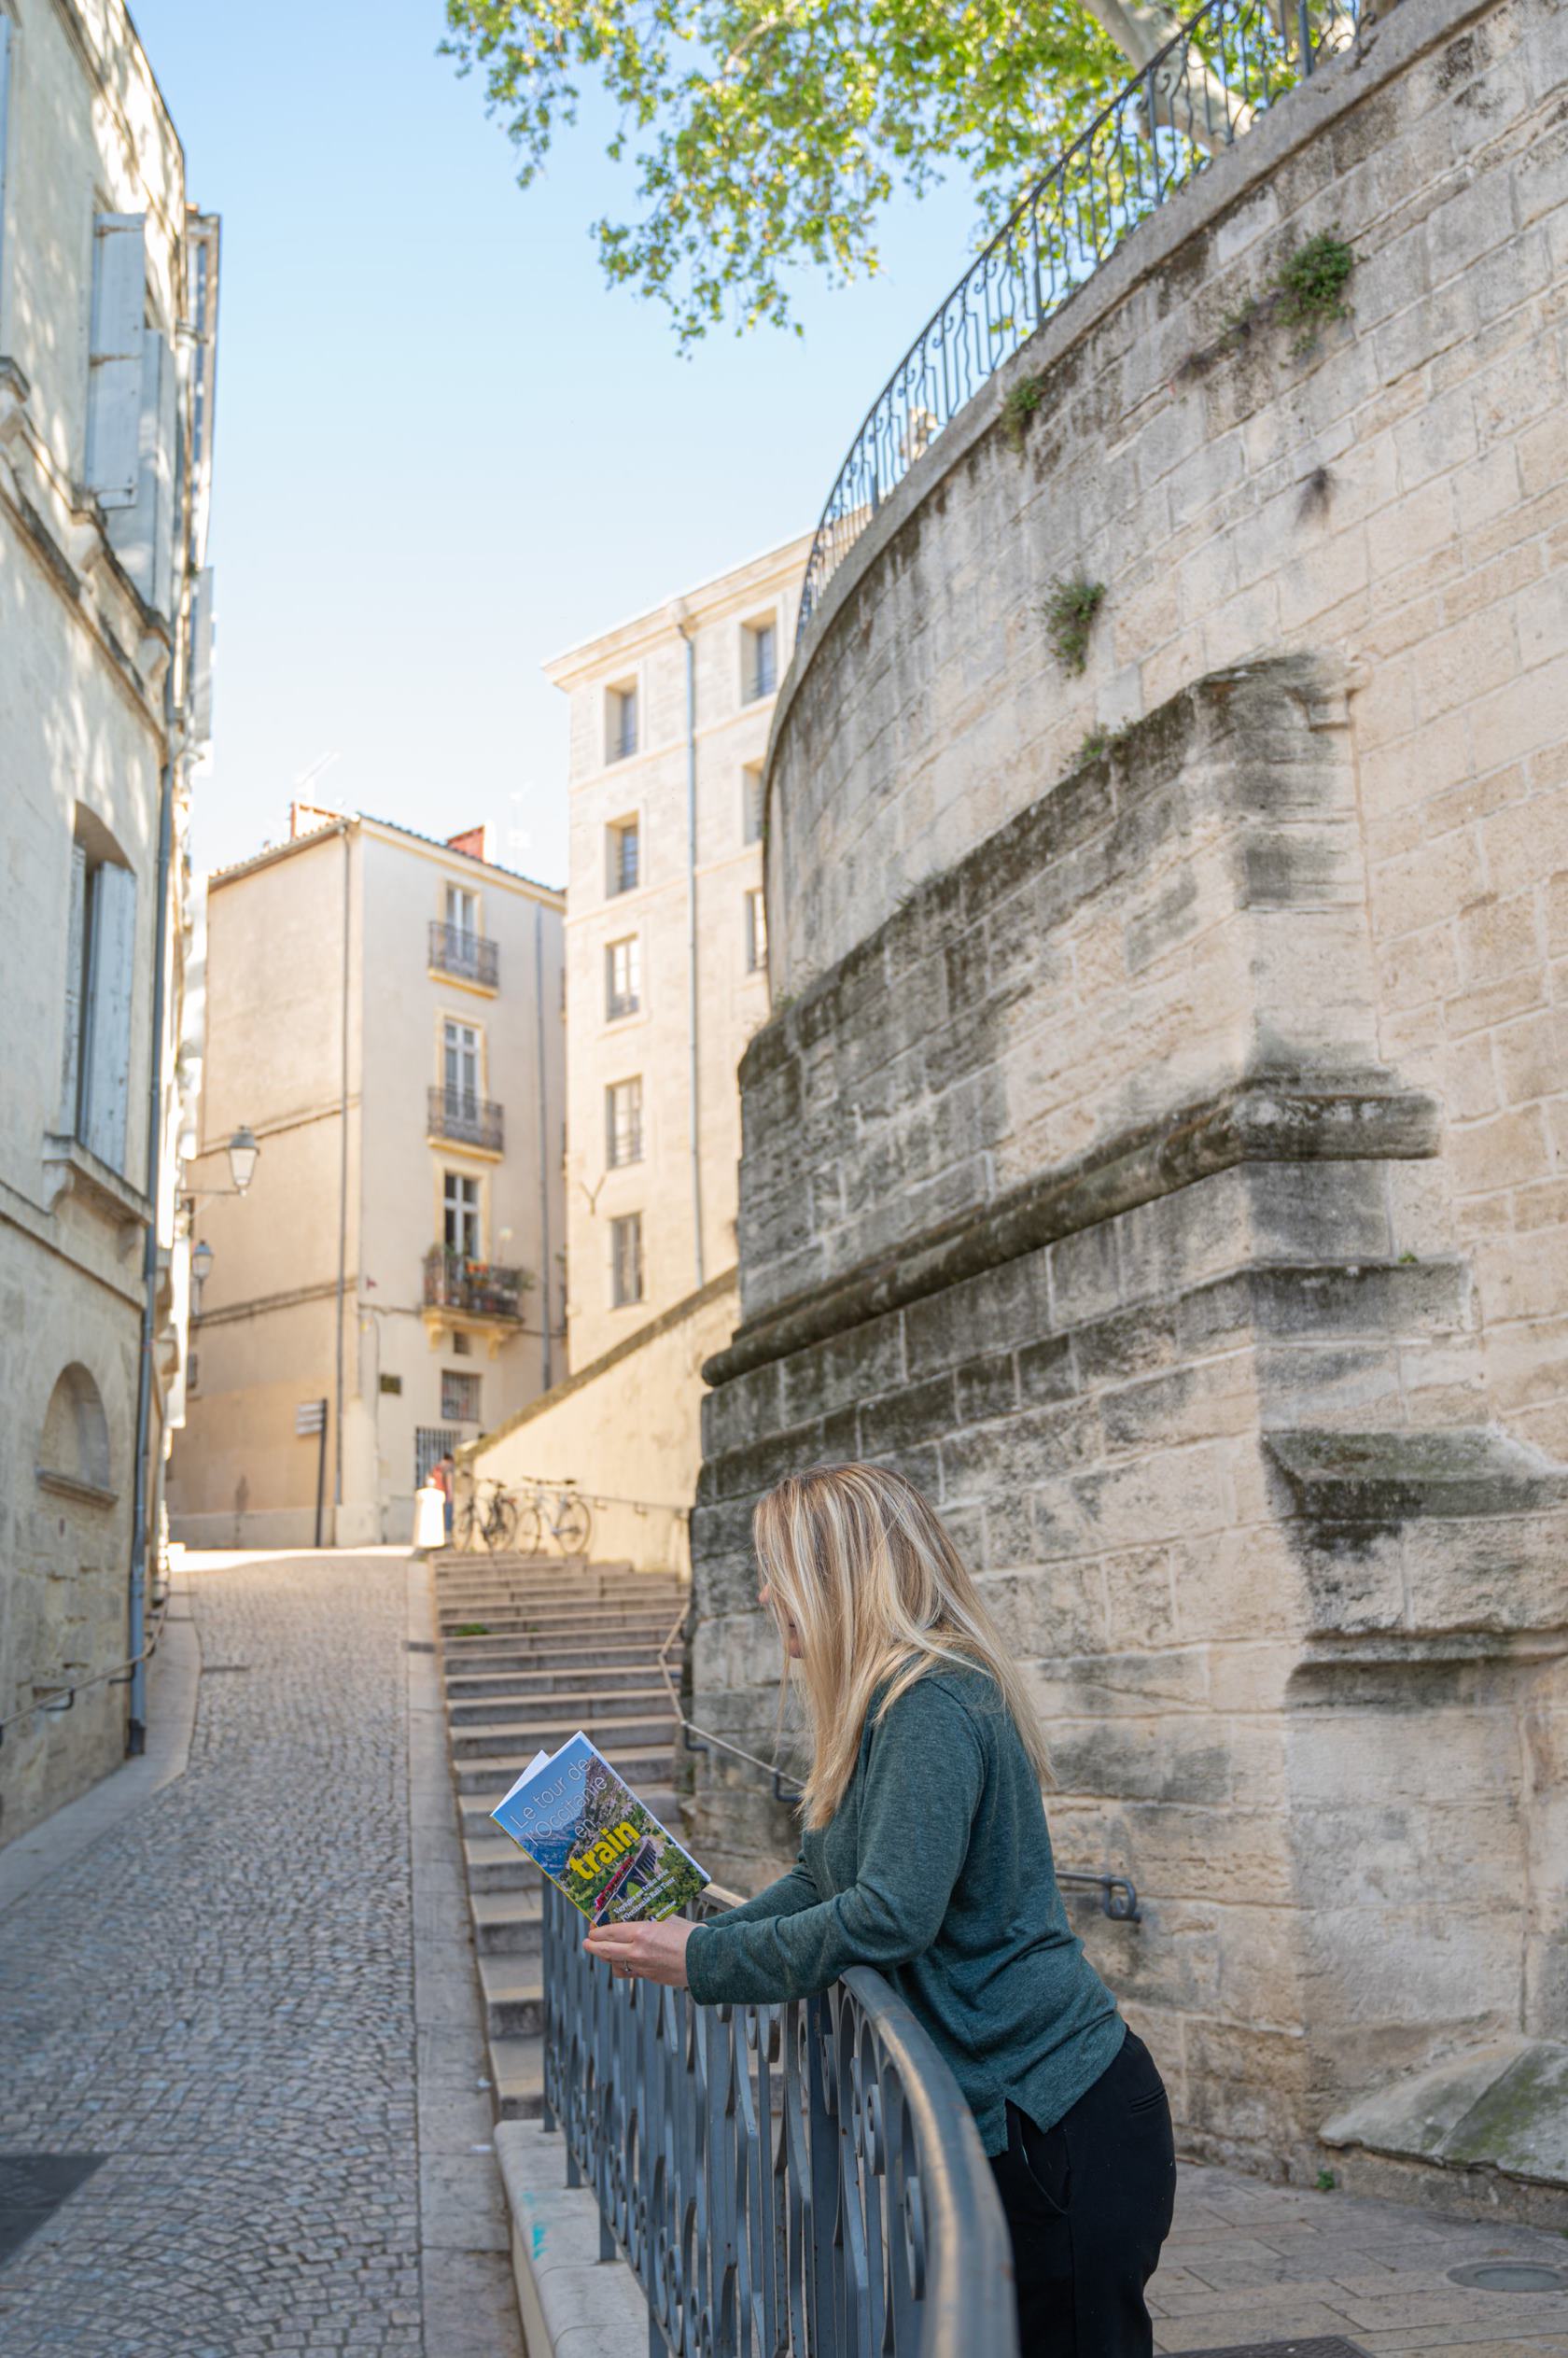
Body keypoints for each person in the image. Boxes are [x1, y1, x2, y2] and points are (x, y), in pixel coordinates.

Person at [583, 1461, 1176, 2355]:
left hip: (1057, 2118)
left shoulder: (929, 1700)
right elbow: (820, 1881)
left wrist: (703, 1961)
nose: (764, 1595)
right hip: (1025, 2117)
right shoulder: (882, 1703)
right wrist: (686, 1938)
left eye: (778, 1571)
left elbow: (889, 1916)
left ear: (837, 1577)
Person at [430, 1453, 455, 1540]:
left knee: (438, 1518)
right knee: (447, 1518)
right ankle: (447, 1537)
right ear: (449, 1460)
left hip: (435, 1496)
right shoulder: (448, 1469)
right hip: (445, 1495)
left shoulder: (436, 1468)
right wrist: (450, 1495)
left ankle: (437, 1537)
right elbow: (449, 1483)